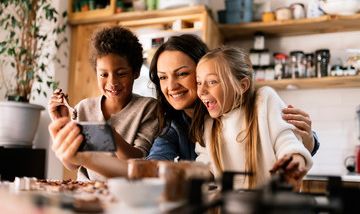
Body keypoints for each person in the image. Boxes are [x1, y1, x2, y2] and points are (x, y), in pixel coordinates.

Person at [146, 34, 319, 161]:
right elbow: (199, 166)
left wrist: (307, 141)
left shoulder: (260, 101)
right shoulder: (181, 125)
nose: (171, 86)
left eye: (182, 73)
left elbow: (291, 142)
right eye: (163, 77)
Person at [47, 26, 159, 181]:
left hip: (126, 191)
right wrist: (61, 123)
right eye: (104, 74)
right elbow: (71, 165)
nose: (112, 82)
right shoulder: (83, 108)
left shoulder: (148, 108)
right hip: (86, 189)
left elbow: (139, 161)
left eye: (121, 74)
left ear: (136, 72)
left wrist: (111, 135)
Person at [194, 46, 313, 191]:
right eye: (199, 82)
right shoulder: (208, 124)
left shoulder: (263, 101)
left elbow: (288, 145)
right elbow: (204, 166)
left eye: (212, 82)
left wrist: (293, 166)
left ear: (242, 85)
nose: (201, 91)